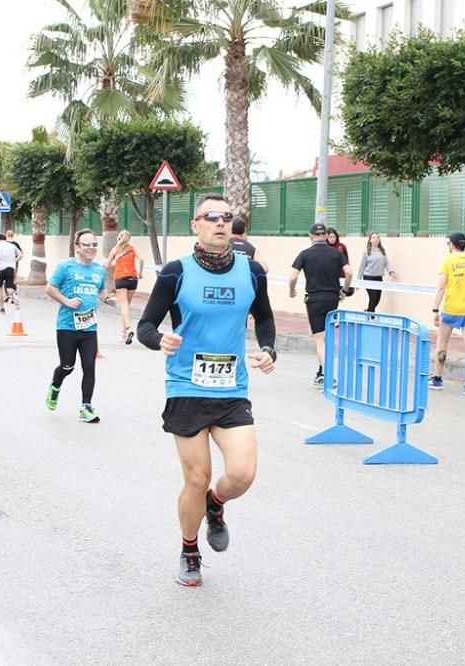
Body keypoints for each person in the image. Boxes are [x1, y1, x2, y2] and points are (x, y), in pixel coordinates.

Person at [136, 193, 276, 587]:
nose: (220, 223)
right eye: (211, 216)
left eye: (227, 217)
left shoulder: (252, 272)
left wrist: (268, 350)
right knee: (197, 478)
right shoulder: (175, 272)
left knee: (243, 474)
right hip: (186, 387)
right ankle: (189, 549)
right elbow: (145, 325)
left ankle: (216, 506)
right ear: (195, 225)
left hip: (232, 388)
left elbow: (264, 318)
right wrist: (159, 339)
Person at [44, 229, 114, 423]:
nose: (91, 248)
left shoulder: (99, 269)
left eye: (94, 245)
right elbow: (49, 288)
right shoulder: (66, 267)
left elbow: (100, 290)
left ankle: (86, 407)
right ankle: (55, 386)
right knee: (68, 366)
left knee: (89, 367)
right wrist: (66, 301)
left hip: (89, 327)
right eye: (86, 244)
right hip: (67, 326)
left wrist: (108, 299)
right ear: (77, 247)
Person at [289, 222, 352, 386]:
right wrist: (344, 290)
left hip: (314, 298)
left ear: (310, 236)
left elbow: (293, 277)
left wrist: (292, 290)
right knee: (329, 337)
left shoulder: (305, 254)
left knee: (319, 339)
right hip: (332, 298)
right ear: (325, 236)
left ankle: (327, 375)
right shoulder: (336, 253)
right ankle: (323, 372)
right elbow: (349, 273)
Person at [431, 232, 465, 396]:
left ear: (452, 245)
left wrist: (435, 310)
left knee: (442, 343)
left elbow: (440, 287)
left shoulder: (447, 260)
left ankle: (437, 378)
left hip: (451, 309)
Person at [104, 229, 143, 344]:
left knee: (124, 306)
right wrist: (140, 273)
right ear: (129, 239)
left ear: (119, 238)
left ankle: (128, 328)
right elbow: (141, 259)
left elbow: (107, 265)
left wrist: (116, 261)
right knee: (126, 306)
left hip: (120, 279)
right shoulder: (132, 248)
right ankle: (124, 333)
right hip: (132, 279)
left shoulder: (115, 250)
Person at [355, 232, 396, 313]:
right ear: (370, 240)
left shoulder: (382, 251)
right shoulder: (366, 252)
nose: (376, 239)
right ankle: (371, 316)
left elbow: (386, 263)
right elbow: (362, 266)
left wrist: (390, 271)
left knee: (377, 298)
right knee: (373, 297)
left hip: (378, 278)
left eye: (378, 237)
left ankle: (368, 311)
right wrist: (358, 281)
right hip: (368, 277)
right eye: (374, 237)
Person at [0, 233, 22, 314]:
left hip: (0, 269)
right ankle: (13, 293)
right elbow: (20, 255)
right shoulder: (12, 246)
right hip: (10, 268)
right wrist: (14, 260)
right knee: (9, 287)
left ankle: (2, 308)